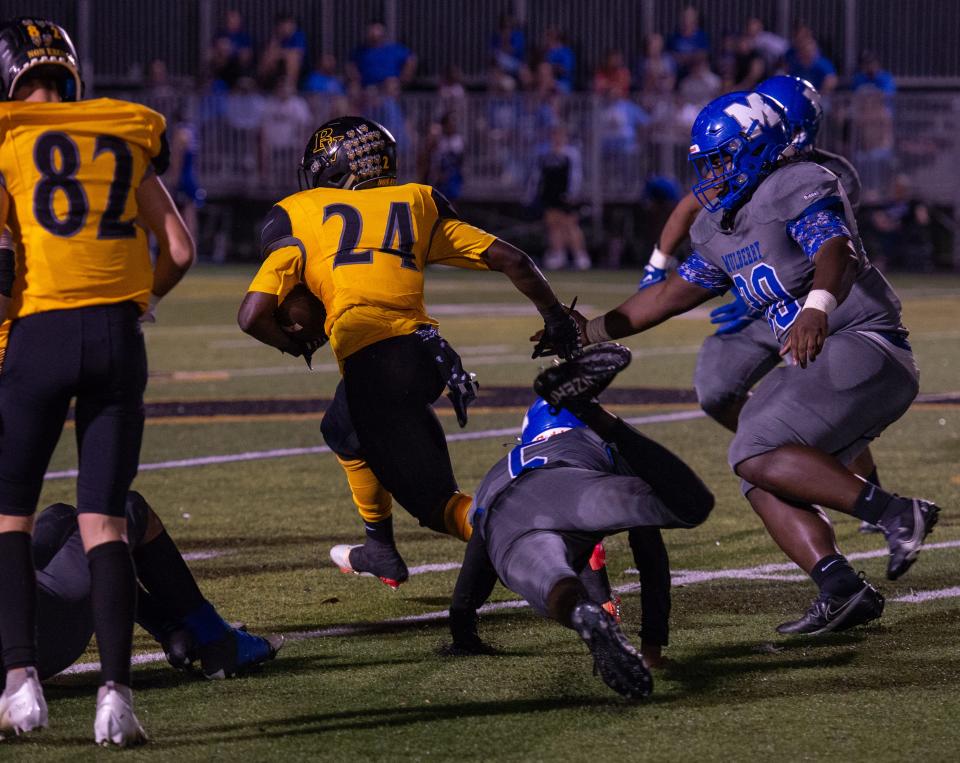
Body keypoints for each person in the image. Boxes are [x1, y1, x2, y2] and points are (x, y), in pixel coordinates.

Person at [568, 90, 940, 637]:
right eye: (705, 164)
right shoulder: (720, 224)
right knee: (760, 474)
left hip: (864, 340)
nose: (711, 175)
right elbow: (668, 296)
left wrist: (816, 308)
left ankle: (894, 513)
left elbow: (835, 251)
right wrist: (588, 332)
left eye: (721, 159)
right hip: (819, 354)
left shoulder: (796, 182)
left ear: (758, 148)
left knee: (754, 446)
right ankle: (841, 588)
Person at [237, 116, 580, 587]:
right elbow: (514, 260)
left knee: (438, 506)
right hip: (426, 355)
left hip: (377, 364)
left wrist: (295, 344)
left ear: (331, 168)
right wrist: (556, 318)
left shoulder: (302, 212)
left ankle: (556, 544)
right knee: (341, 427)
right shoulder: (417, 200)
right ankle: (378, 546)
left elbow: (251, 314)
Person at [0, 17, 194, 746]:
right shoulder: (123, 130)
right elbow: (177, 246)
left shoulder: (10, 137)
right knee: (103, 519)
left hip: (39, 332)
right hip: (115, 334)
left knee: (12, 516)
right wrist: (142, 301)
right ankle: (116, 698)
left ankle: (21, 685)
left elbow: (1, 267)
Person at [637, 76, 884, 533]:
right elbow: (693, 205)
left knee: (825, 401)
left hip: (819, 307)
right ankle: (794, 459)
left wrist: (786, 300)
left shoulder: (827, 175)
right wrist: (658, 266)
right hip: (755, 308)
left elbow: (825, 255)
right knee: (715, 391)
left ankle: (852, 481)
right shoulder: (738, 165)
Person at [445, 344, 714, 697]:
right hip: (571, 485)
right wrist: (652, 647)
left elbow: (475, 569)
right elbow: (649, 554)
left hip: (506, 512)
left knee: (557, 587)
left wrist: (462, 631)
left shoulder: (505, 464)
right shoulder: (592, 443)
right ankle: (597, 413)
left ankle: (582, 613)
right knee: (691, 505)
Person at [18, 492, 281, 682]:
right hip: (35, 641)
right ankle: (218, 642)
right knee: (126, 508)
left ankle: (170, 629)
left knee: (59, 519)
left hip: (20, 652)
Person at [529, 125, 590, 271]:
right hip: (550, 194)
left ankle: (580, 255)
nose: (557, 139)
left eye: (560, 136)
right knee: (553, 225)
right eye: (554, 135)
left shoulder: (570, 154)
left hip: (566, 194)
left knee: (570, 224)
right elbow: (537, 175)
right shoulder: (545, 154)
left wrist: (572, 193)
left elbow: (576, 175)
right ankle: (558, 254)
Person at [347, 21, 417, 89]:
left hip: (388, 84)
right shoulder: (360, 51)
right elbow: (351, 64)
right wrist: (355, 77)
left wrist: (404, 78)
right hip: (365, 85)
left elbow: (411, 58)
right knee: (353, 88)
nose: (373, 33)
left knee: (391, 85)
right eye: (371, 30)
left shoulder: (395, 49)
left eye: (377, 29)